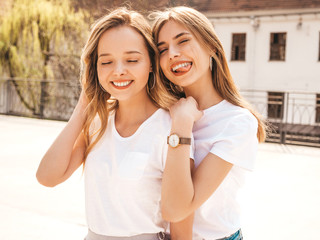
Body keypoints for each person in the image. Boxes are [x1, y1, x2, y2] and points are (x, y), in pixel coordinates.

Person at [36, 8, 193, 240]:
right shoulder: (98, 122)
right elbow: (47, 177)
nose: (118, 71)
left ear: (151, 63)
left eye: (132, 60)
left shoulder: (172, 127)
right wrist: (83, 108)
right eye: (106, 61)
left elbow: (181, 226)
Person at [151, 6, 267, 240]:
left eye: (182, 41)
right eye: (162, 50)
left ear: (211, 46)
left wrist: (182, 125)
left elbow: (180, 207)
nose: (172, 54)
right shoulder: (161, 113)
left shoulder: (238, 122)